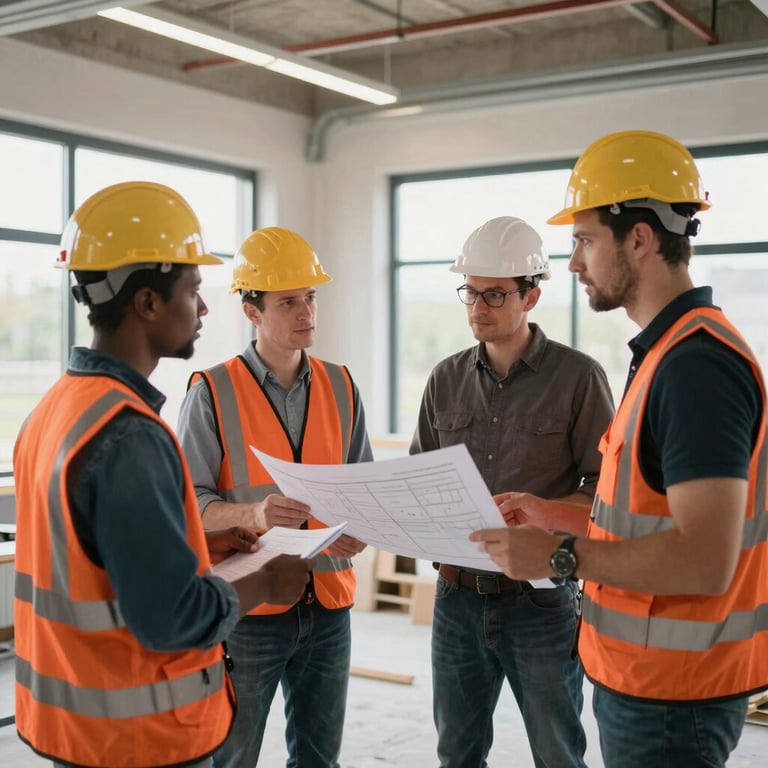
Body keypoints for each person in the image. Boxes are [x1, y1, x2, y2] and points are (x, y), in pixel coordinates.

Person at [471, 130, 768, 768]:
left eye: (584, 241)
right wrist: (552, 514)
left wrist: (555, 554)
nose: (573, 262)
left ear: (639, 238)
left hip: (671, 691)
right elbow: (645, 518)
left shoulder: (696, 367)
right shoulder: (665, 355)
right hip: (645, 677)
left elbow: (703, 560)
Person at [12, 181, 313, 768]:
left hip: (71, 725)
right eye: (193, 290)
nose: (202, 309)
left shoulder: (56, 409)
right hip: (139, 737)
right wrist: (262, 586)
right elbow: (173, 619)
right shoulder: (129, 435)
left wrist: (199, 543)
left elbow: (94, 558)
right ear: (148, 303)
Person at [410, 215, 615, 768]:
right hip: (456, 598)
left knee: (557, 751)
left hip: (542, 604)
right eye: (471, 293)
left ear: (532, 295)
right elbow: (420, 477)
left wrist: (544, 516)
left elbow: (607, 493)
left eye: (495, 294)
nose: (479, 307)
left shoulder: (579, 378)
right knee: (456, 752)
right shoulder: (444, 379)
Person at [176, 225, 374, 768]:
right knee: (231, 756)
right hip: (249, 611)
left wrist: (364, 526)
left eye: (310, 297)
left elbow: (362, 484)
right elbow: (187, 502)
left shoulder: (341, 385)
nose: (306, 312)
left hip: (330, 603)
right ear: (252, 311)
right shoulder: (210, 392)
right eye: (288, 302)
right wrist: (253, 513)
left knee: (319, 758)